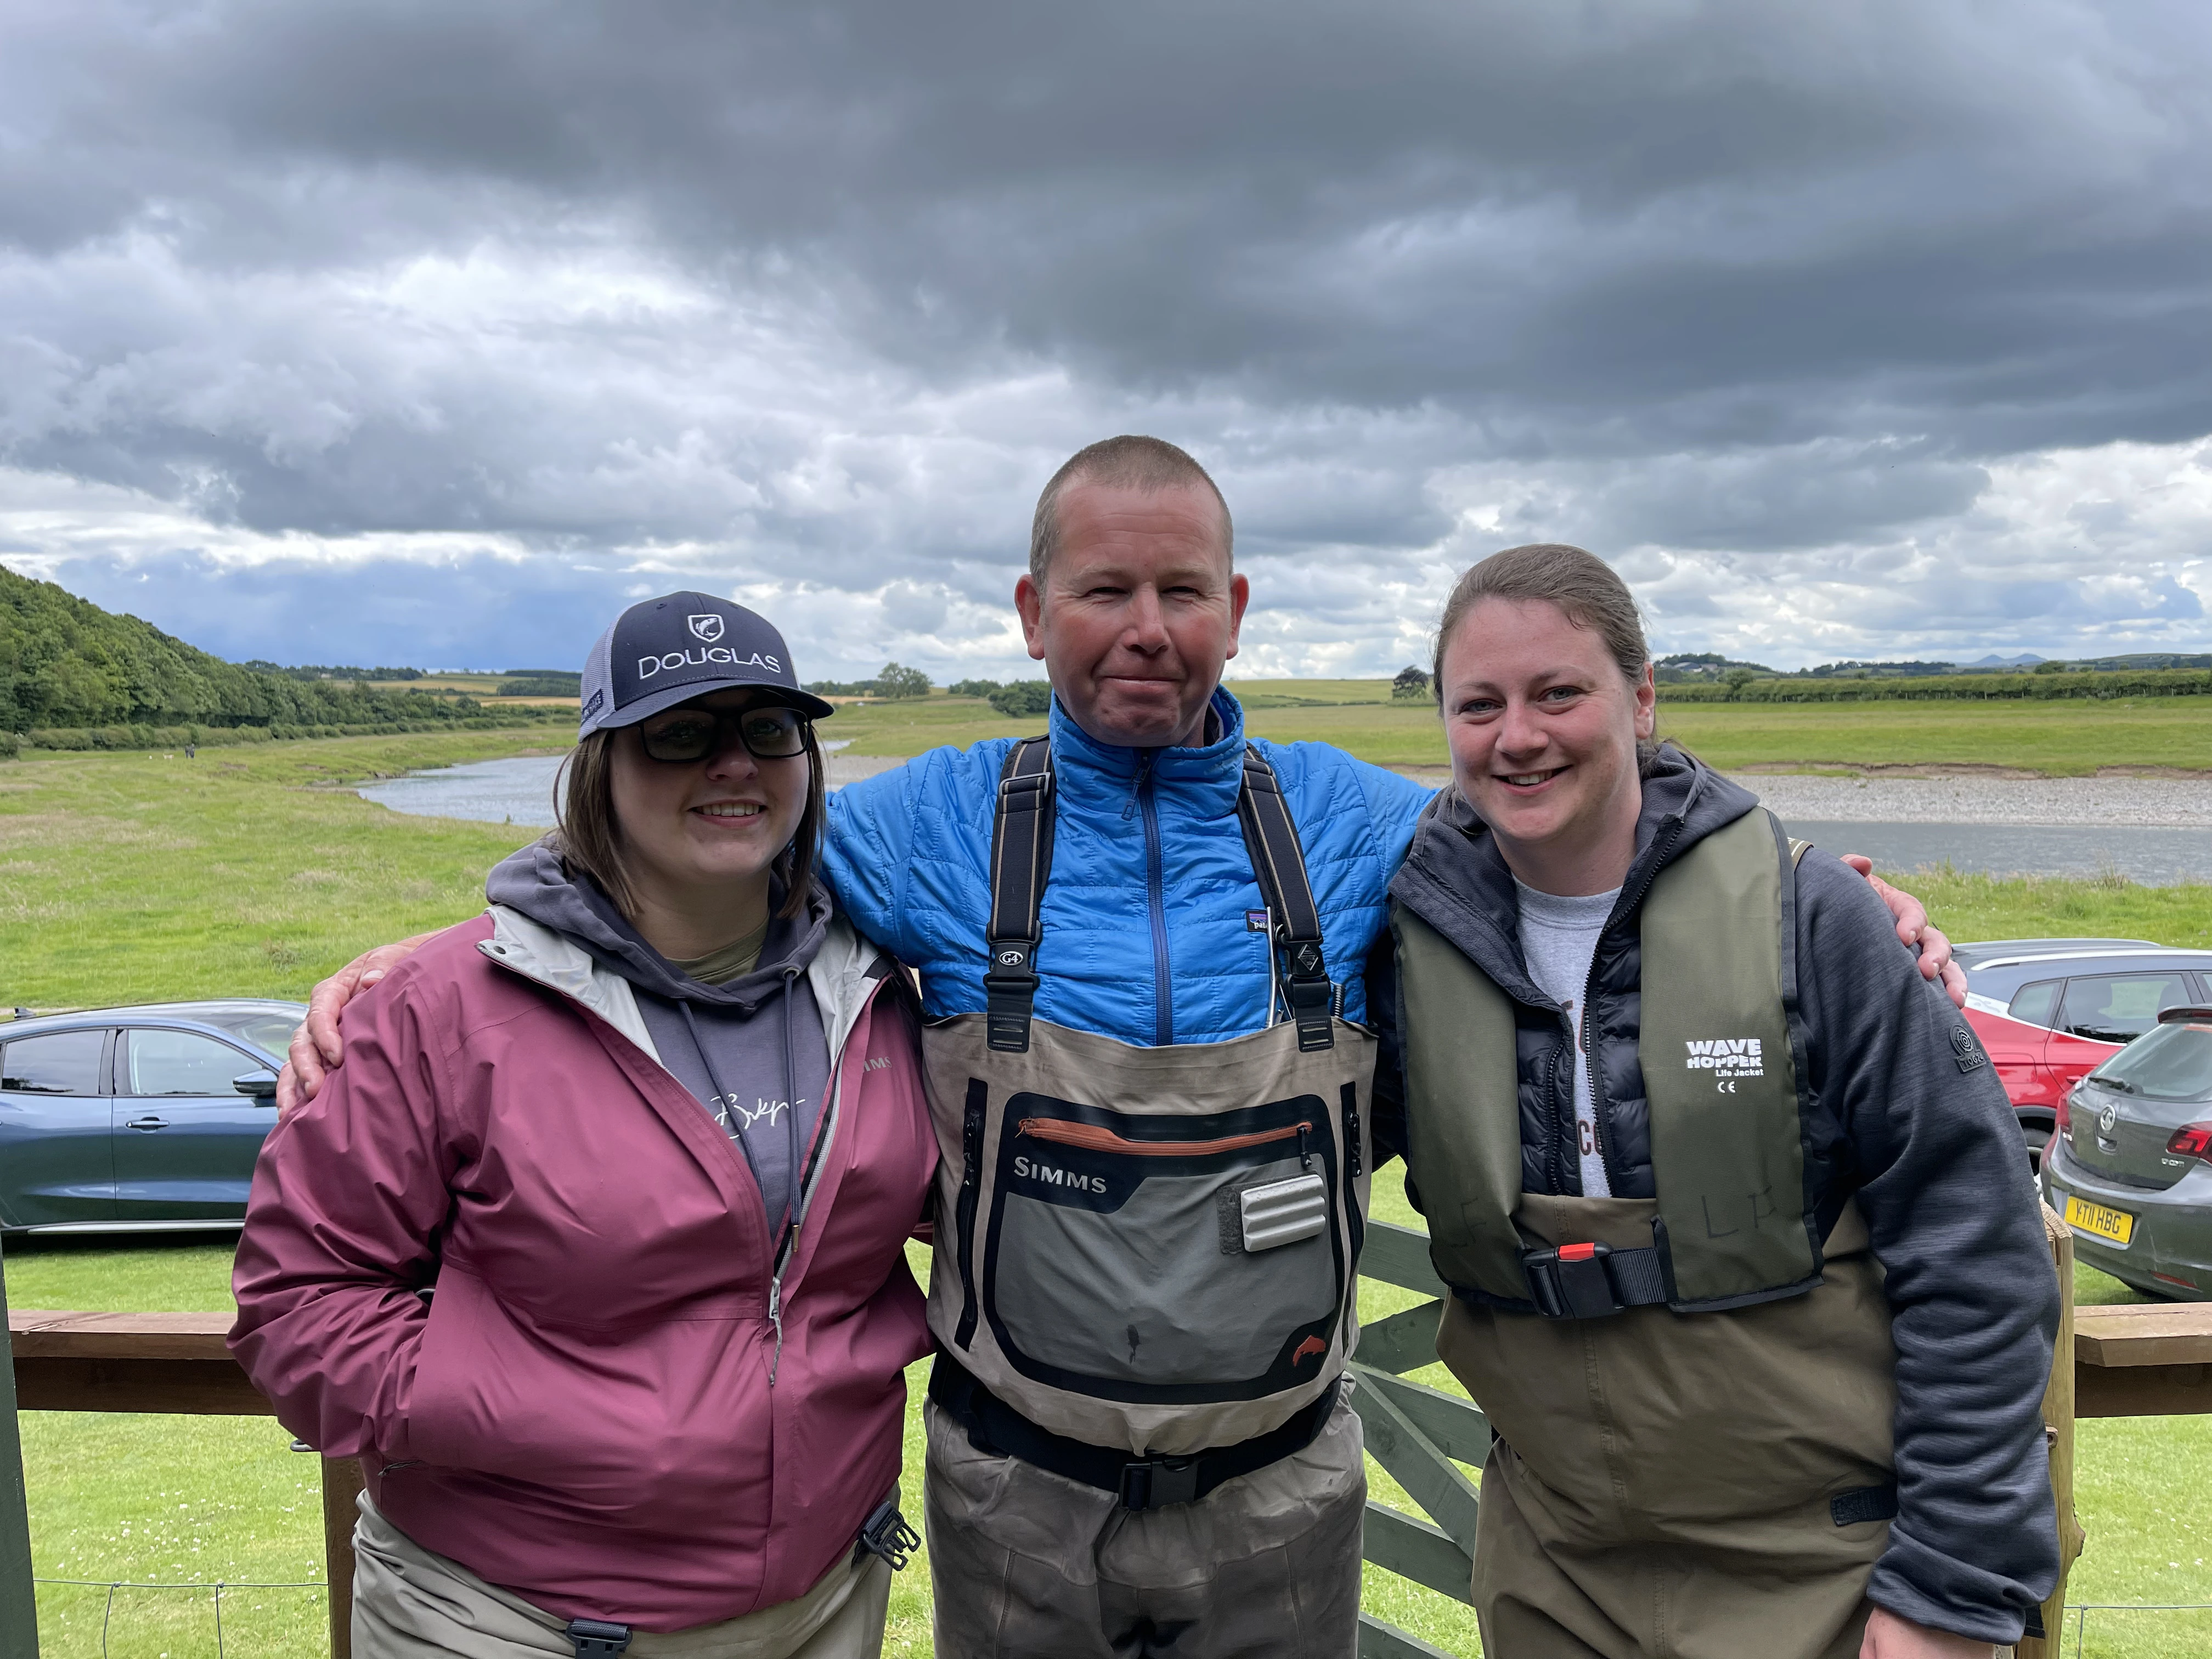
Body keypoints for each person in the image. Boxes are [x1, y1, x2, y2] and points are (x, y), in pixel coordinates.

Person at [281, 439, 1961, 1658]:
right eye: (1104, 590)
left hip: (1287, 1480)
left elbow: (1573, 801)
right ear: (1033, 611)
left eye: (1180, 591)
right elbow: (677, 861)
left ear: (1235, 607)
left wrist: (1817, 893)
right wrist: (427, 962)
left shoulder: (1359, 822)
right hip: (1013, 1487)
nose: (1143, 625)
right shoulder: (920, 824)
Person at [1382, 544, 2059, 1658]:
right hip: (1556, 1576)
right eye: (1479, 704)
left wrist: (1954, 1586)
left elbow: (1974, 1243)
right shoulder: (1406, 946)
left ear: (1643, 698)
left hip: (1828, 1572)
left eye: (1560, 692)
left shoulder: (1815, 923)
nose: (1519, 735)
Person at [229, 594, 936, 1659]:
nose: (734, 764)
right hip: (508, 1620)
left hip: (829, 1601)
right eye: (682, 733)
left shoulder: (882, 985)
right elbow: (298, 1310)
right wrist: (550, 1419)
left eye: (769, 728)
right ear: (601, 762)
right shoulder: (435, 1011)